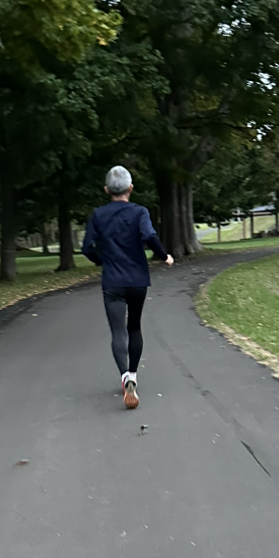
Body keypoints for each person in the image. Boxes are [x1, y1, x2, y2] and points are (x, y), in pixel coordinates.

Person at [82, 166, 173, 409]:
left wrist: (101, 261)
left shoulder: (98, 215)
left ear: (106, 190)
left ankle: (124, 377)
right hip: (137, 280)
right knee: (134, 327)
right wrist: (164, 256)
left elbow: (87, 247)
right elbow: (149, 236)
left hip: (113, 281)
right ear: (130, 188)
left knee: (117, 332)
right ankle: (133, 374)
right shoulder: (140, 212)